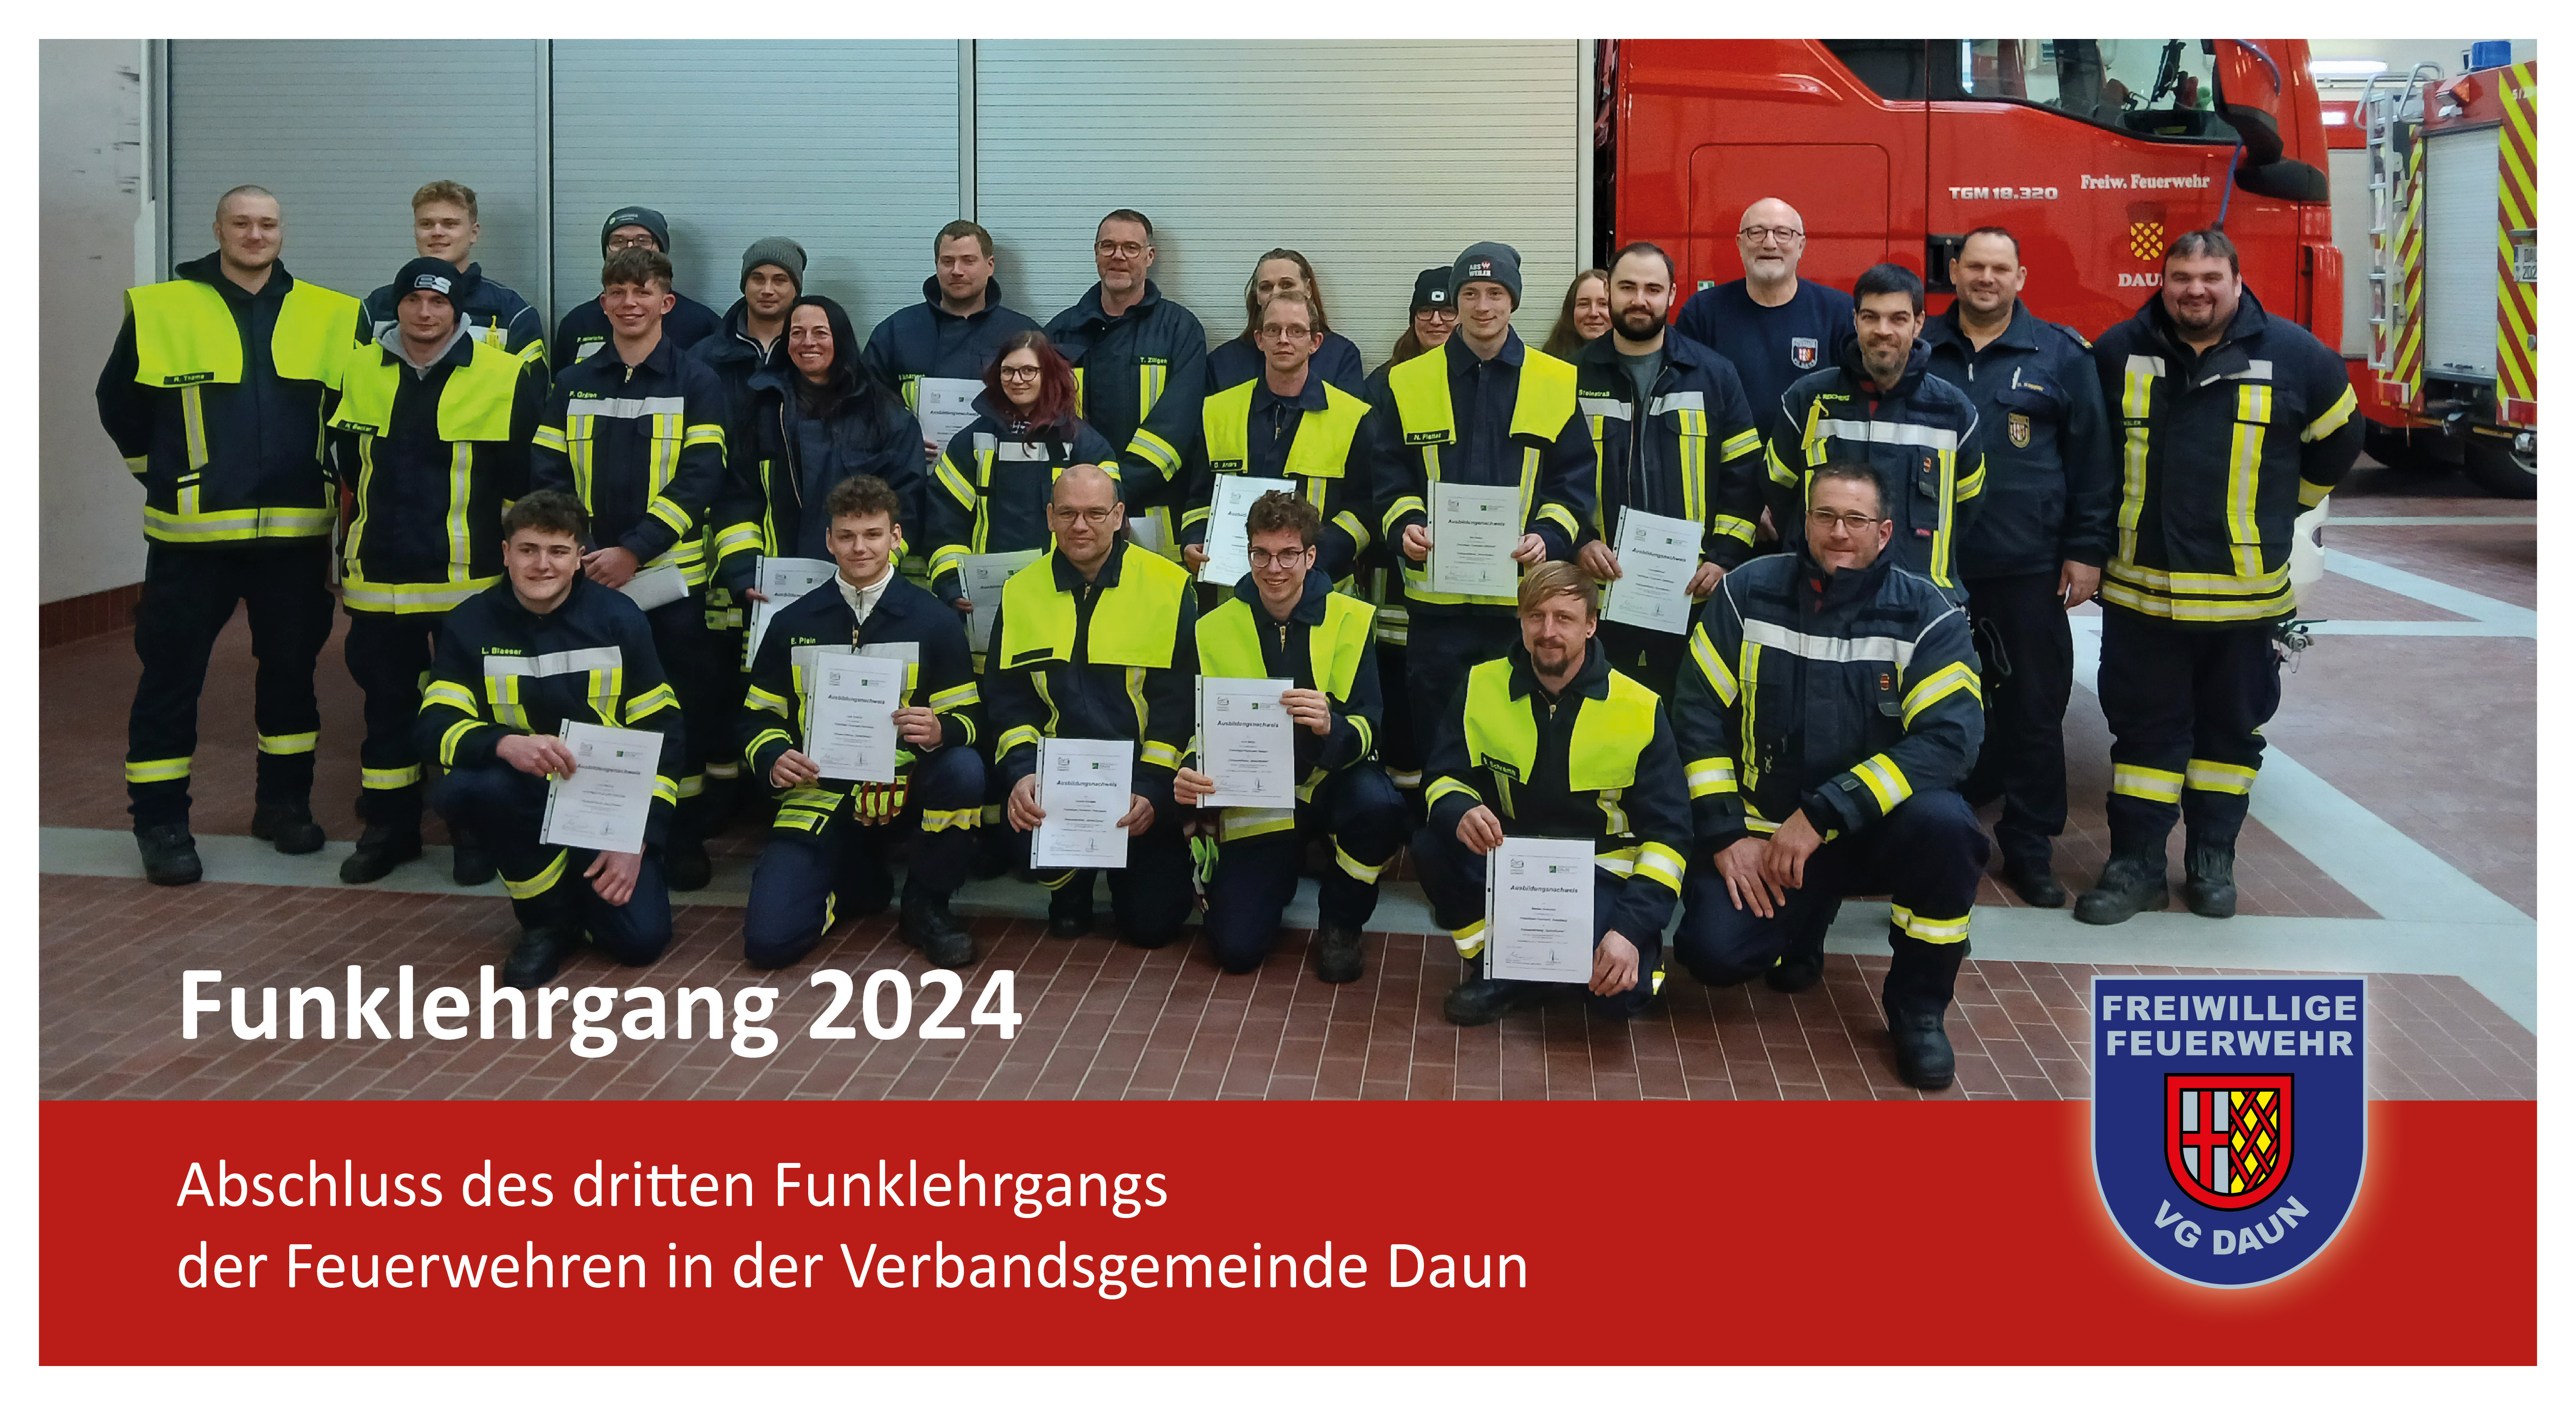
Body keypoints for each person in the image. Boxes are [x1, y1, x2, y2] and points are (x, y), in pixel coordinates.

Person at [1669, 462, 1989, 1090]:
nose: (1838, 532)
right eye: (1825, 516)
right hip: (1767, 837)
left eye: (1855, 519)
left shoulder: (1927, 614)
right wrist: (1725, 832)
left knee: (1948, 828)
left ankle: (1919, 1010)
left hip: (1874, 835)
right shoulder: (1745, 593)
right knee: (1711, 953)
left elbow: (1950, 740)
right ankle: (1804, 924)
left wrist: (1823, 812)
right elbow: (1695, 714)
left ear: (1884, 531)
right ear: (1804, 522)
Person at [2076, 227, 2361, 925]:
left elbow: (2339, 440)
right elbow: (2089, 455)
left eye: (2210, 278)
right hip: (2142, 594)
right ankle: (2135, 867)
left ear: (2236, 281)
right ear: (2162, 282)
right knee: (2142, 739)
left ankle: (2211, 861)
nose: (2194, 291)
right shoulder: (2117, 352)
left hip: (2244, 599)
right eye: (2181, 277)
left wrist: (2281, 508)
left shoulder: (2296, 355)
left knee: (2229, 739)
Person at [94, 185, 363, 884]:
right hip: (191, 545)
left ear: (282, 231)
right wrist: (166, 477)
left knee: (292, 678)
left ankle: (284, 806)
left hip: (294, 541)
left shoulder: (333, 314)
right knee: (171, 681)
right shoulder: (163, 308)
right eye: (241, 223)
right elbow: (119, 406)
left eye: (267, 223)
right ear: (217, 229)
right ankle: (161, 824)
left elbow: (354, 414)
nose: (255, 234)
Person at [326, 257, 546, 886]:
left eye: (439, 303)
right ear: (396, 306)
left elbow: (525, 480)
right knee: (386, 711)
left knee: (471, 712)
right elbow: (349, 465)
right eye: (414, 301)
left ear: (457, 311)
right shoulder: (356, 369)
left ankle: (472, 835)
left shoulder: (503, 375)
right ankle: (388, 831)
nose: (425, 313)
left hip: (468, 583)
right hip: (378, 580)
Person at [1920, 227, 2115, 908]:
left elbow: (2094, 461)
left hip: (2026, 568)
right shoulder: (1920, 348)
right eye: (1974, 266)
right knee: (1923, 705)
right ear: (1954, 272)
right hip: (1932, 571)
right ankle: (1923, 839)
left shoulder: (2060, 355)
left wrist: (2086, 550)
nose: (1986, 279)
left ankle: (2030, 848)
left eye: (1999, 268)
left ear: (2020, 278)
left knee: (2033, 710)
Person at [417, 491, 684, 989]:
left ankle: (582, 891)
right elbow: (434, 724)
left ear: (579, 557)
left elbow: (662, 733)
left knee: (640, 942)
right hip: (520, 791)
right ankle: (544, 921)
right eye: (528, 550)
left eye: (558, 551)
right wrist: (502, 744)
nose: (542, 565)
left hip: (603, 802)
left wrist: (637, 838)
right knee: (466, 789)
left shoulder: (619, 618)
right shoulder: (470, 623)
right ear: (505, 553)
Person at [529, 246, 730, 890]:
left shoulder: (698, 382)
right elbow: (549, 476)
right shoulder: (572, 383)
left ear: (666, 302)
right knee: (596, 706)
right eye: (617, 292)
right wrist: (583, 553)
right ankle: (601, 828)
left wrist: (634, 550)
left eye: (642, 291)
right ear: (603, 302)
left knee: (678, 706)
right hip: (587, 579)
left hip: (669, 584)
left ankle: (680, 835)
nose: (629, 303)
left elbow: (701, 478)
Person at [1412, 562, 1689, 1026]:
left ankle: (1630, 955)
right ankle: (1499, 967)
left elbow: (1670, 835)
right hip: (1513, 864)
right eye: (1535, 616)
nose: (1548, 632)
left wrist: (1628, 930)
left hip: (1603, 872)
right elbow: (1443, 775)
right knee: (1433, 843)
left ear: (1590, 625)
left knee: (1616, 1000)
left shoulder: (1640, 707)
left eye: (1564, 618)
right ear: (1520, 621)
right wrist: (1460, 809)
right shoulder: (1481, 685)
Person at [738, 475, 985, 970]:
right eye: (847, 536)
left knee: (964, 770)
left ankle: (926, 905)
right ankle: (857, 885)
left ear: (896, 537)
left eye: (873, 534)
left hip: (905, 792)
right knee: (768, 945)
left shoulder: (933, 620)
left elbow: (971, 717)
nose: (859, 548)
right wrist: (772, 756)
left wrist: (942, 730)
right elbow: (756, 716)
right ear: (829, 541)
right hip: (820, 793)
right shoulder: (793, 622)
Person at [1367, 240, 1594, 763]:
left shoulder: (1555, 379)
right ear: (1456, 301)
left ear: (1513, 300)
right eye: (1470, 293)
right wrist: (1404, 526)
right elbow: (1388, 472)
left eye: (1495, 293)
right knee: (1436, 736)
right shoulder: (1408, 380)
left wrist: (1548, 537)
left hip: (1521, 604)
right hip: (1436, 606)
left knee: (1513, 737)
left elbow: (1574, 480)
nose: (1482, 306)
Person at [1174, 492, 1405, 981]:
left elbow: (1371, 725)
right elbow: (1198, 726)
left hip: (1331, 778)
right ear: (1248, 553)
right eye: (1261, 554)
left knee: (1379, 805)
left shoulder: (1350, 618)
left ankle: (1342, 921)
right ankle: (1270, 875)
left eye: (1287, 554)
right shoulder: (1212, 627)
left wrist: (1333, 724)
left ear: (1310, 555)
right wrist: (1192, 769)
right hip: (1257, 797)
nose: (1273, 569)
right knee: (1235, 950)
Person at [985, 464, 1198, 947]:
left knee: (1151, 926)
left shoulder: (1168, 586)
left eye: (1095, 514)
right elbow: (1008, 698)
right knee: (1018, 831)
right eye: (1068, 514)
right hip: (1054, 786)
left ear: (1119, 516)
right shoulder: (1021, 591)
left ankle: (1159, 856)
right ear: (1049, 517)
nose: (1080, 526)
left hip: (1137, 785)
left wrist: (1151, 790)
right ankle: (1069, 889)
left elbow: (1179, 703)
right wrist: (1022, 772)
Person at [1570, 241, 1766, 694]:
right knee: (1604, 706)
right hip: (1600, 591)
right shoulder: (1571, 377)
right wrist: (1579, 542)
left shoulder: (1714, 375)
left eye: (1652, 289)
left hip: (1691, 592)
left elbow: (1744, 476)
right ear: (1609, 291)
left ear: (1672, 294)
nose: (1639, 300)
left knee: (1690, 709)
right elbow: (1553, 477)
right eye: (1627, 287)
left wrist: (1723, 558)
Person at [1765, 262, 1984, 602]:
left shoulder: (1953, 411)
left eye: (1898, 318)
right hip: (1822, 599)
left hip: (1921, 604)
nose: (1883, 330)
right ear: (1855, 320)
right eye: (1871, 317)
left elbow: (1967, 505)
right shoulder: (1808, 400)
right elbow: (1778, 491)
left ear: (1919, 323)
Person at [713, 295, 926, 593]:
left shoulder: (886, 417)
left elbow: (908, 504)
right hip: (774, 586)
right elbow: (737, 498)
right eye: (797, 333)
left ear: (841, 339)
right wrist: (745, 574)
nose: (808, 342)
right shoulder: (762, 410)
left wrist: (872, 570)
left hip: (863, 586)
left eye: (820, 333)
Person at [921, 330, 1121, 633]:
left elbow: (1107, 525)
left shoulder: (1085, 445)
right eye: (1008, 371)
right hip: (985, 598)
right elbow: (943, 522)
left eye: (1029, 370)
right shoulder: (973, 442)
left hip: (1064, 592)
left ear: (1049, 374)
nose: (1017, 380)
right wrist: (952, 583)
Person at [1044, 209, 1208, 559]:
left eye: (1131, 248)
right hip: (1079, 516)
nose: (1118, 256)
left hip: (1156, 512)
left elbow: (1177, 428)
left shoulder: (1180, 330)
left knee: (1152, 592)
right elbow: (1049, 423)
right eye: (1108, 246)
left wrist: (1113, 491)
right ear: (1096, 253)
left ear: (1150, 257)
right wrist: (1088, 498)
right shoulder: (1060, 331)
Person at [1180, 289, 1374, 583]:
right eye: (1273, 330)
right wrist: (1194, 538)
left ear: (1314, 342)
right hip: (1235, 590)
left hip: (1320, 587)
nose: (1283, 339)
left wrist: (1314, 557)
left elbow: (1366, 508)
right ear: (1260, 340)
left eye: (1296, 331)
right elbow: (1199, 497)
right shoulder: (1218, 411)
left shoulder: (1354, 417)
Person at [1361, 265, 1459, 806]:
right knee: (1396, 681)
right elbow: (1372, 469)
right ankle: (1401, 806)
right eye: (1426, 310)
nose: (1437, 320)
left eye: (1447, 310)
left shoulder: (1474, 377)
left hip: (1460, 569)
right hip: (1391, 566)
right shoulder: (1385, 383)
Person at [1673, 198, 1857, 453]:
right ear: (1740, 244)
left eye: (1783, 233)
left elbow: (1857, 402)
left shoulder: (1839, 313)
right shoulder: (1702, 313)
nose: (1769, 243)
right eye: (1756, 232)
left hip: (1812, 470)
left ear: (1801, 246)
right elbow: (1681, 401)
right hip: (1727, 469)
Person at [861, 220, 1041, 464]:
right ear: (937, 265)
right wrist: (901, 439)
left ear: (990, 266)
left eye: (968, 261)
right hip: (915, 476)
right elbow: (867, 404)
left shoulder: (1024, 334)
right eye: (947, 261)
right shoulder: (896, 331)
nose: (957, 271)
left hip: (1002, 474)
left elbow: (1051, 407)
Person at [358, 180, 546, 367]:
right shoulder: (376, 308)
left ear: (474, 233)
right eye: (426, 224)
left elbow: (532, 384)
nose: (437, 232)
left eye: (450, 224)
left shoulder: (512, 312)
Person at [550, 206, 722, 372]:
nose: (631, 248)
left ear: (662, 251)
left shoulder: (702, 324)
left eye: (643, 241)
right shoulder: (577, 323)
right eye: (618, 242)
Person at [1204, 249, 1366, 395]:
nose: (1276, 294)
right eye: (1266, 287)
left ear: (1308, 290)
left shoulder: (1342, 357)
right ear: (1257, 296)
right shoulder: (1222, 363)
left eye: (1287, 285)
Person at [696, 237, 804, 442]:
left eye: (780, 280)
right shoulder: (705, 356)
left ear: (796, 289)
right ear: (745, 285)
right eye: (758, 279)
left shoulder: (814, 354)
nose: (767, 290)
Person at [1386, 265, 1459, 365]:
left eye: (1448, 312)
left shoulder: (1479, 371)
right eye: (1425, 311)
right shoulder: (1393, 373)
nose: (1436, 321)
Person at [1540, 268, 1610, 359]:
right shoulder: (1550, 359)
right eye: (1584, 304)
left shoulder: (1628, 363)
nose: (1593, 313)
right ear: (1571, 310)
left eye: (1604, 304)